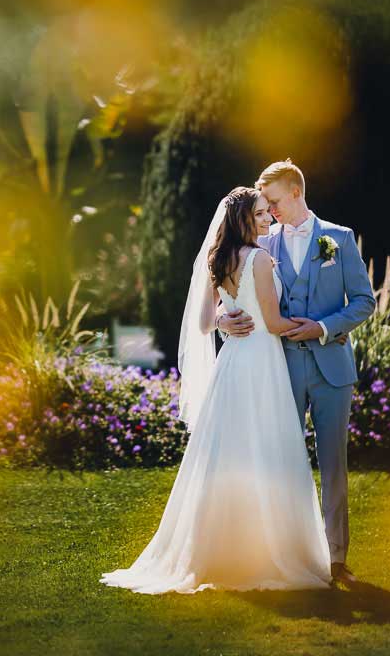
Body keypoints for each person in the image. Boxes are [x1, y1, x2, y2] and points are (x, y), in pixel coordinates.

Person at [100, 186, 333, 594]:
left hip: (232, 364)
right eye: (259, 213)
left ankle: (220, 548)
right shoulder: (260, 259)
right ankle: (266, 550)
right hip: (262, 361)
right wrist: (318, 328)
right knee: (265, 447)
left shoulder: (217, 259)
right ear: (243, 219)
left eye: (267, 212)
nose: (267, 218)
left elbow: (204, 322)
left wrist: (225, 320)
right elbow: (273, 324)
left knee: (229, 450)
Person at [214, 159, 375, 587]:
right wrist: (222, 319)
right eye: (264, 204)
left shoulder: (339, 238)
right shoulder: (261, 243)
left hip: (332, 369)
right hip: (278, 368)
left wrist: (322, 327)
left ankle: (336, 559)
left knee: (334, 465)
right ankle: (282, 552)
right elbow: (228, 288)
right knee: (279, 461)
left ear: (296, 192)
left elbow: (364, 301)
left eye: (273, 201)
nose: (268, 210)